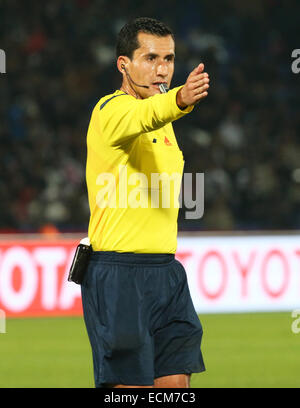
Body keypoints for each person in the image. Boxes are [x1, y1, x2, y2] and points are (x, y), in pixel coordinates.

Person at [81, 17, 209, 388]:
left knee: (176, 387)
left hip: (167, 273)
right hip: (119, 275)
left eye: (168, 59)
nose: (162, 69)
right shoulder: (110, 111)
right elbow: (145, 113)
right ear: (124, 64)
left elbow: (156, 114)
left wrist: (173, 104)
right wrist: (180, 99)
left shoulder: (164, 122)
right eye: (150, 58)